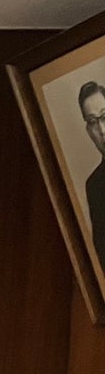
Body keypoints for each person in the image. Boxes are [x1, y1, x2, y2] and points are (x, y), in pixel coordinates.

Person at [80, 81, 105, 269]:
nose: (102, 131)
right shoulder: (94, 185)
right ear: (89, 132)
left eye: (104, 117)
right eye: (93, 122)